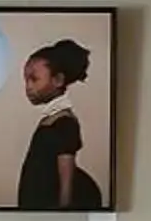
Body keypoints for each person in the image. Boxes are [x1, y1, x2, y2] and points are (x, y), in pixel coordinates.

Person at [16, 39, 104, 211]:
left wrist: (63, 209)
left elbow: (66, 172)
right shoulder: (52, 118)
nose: (28, 87)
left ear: (57, 80)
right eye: (26, 80)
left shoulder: (64, 122)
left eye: (34, 79)